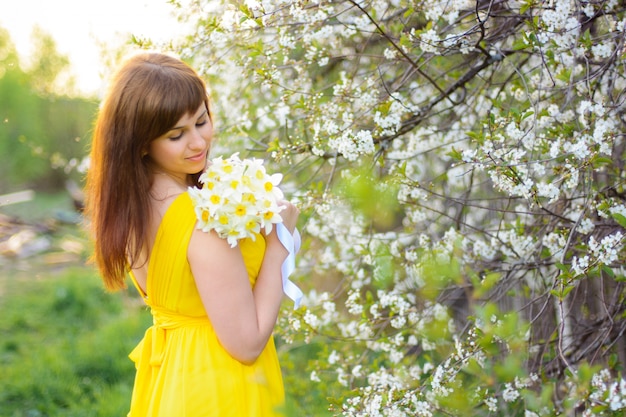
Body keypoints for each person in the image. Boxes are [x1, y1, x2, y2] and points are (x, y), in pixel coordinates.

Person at [84, 52, 299, 416]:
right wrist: (280, 244)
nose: (198, 143)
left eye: (201, 121)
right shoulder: (201, 218)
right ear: (141, 143)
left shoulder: (134, 203)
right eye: (176, 135)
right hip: (219, 388)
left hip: (173, 380)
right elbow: (246, 344)